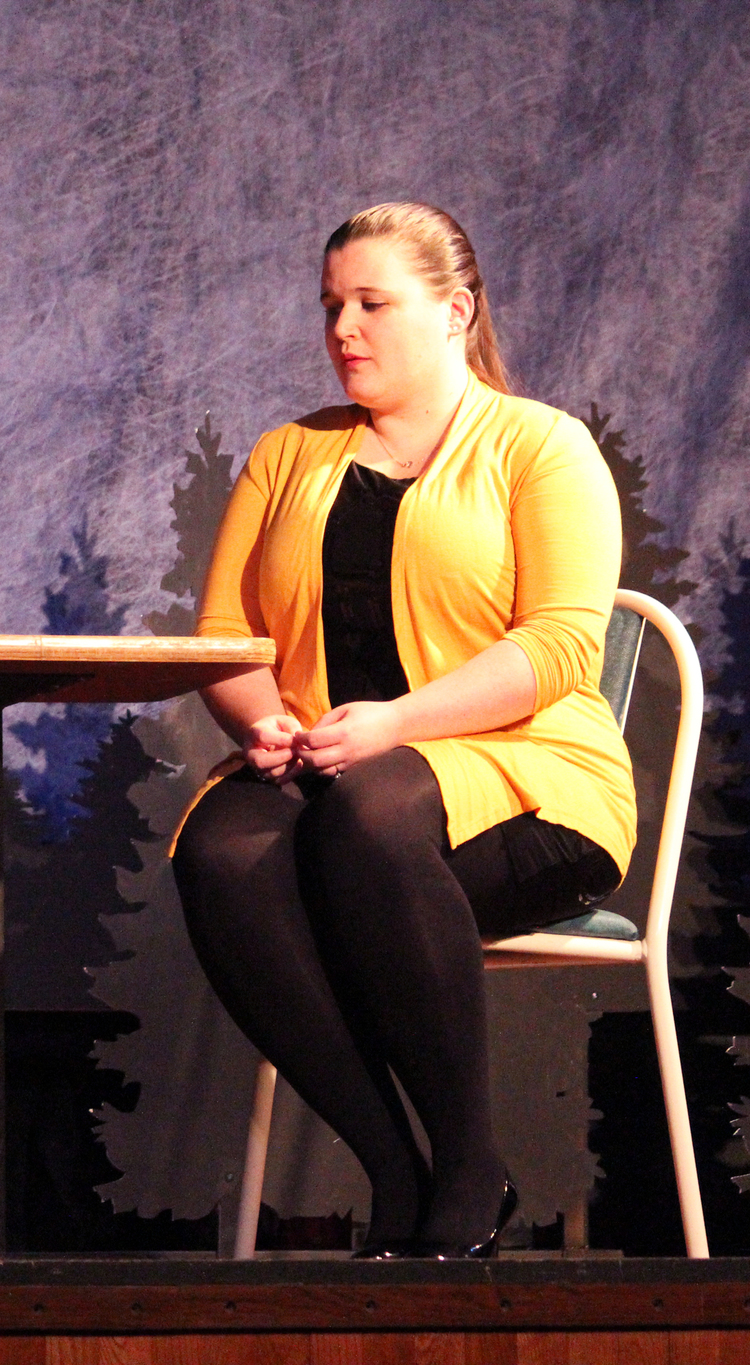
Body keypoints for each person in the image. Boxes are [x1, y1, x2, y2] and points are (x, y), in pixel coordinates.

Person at [174, 202, 634, 1259]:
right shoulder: (287, 453)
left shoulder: (539, 447)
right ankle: (393, 1168)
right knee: (223, 852)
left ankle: (467, 1164)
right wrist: (270, 719)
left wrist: (397, 724)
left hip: (525, 784)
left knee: (371, 820)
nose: (343, 328)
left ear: (455, 312)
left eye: (371, 303)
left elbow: (562, 644)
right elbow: (224, 635)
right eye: (331, 305)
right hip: (331, 773)